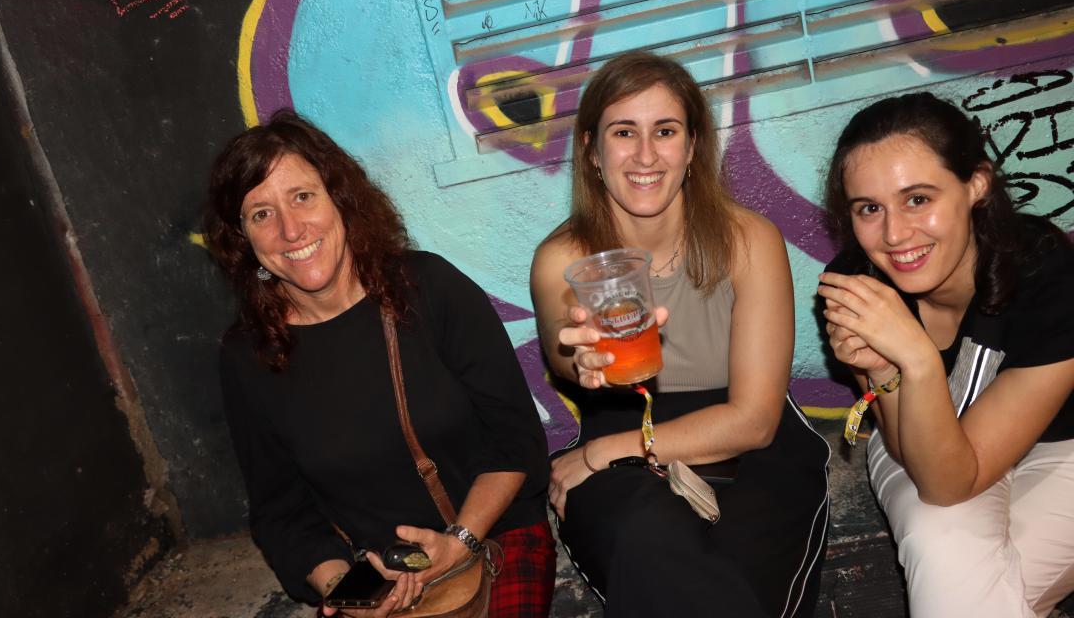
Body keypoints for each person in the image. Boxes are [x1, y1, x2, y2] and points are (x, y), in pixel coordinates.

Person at [205, 110, 555, 616]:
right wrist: (344, 588)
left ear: (340, 200)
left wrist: (459, 540)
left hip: (490, 533)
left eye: (302, 196)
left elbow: (515, 441)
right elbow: (280, 511)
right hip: (373, 574)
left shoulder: (429, 289)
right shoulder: (248, 355)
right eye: (261, 214)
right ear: (243, 240)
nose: (290, 229)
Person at [530, 51, 830, 618]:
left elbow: (755, 422)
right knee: (648, 541)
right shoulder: (563, 259)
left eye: (665, 131)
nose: (645, 155)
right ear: (592, 150)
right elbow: (564, 349)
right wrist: (583, 361)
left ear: (692, 146)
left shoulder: (750, 240)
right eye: (624, 132)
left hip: (741, 445)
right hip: (625, 425)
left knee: (740, 577)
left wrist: (600, 453)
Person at [819, 92, 1074, 618]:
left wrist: (913, 356)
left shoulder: (1048, 275)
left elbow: (954, 481)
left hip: (1061, 445)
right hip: (917, 443)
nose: (894, 234)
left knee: (964, 592)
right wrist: (883, 368)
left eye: (917, 199)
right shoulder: (856, 286)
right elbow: (935, 476)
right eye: (870, 208)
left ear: (976, 184)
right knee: (944, 543)